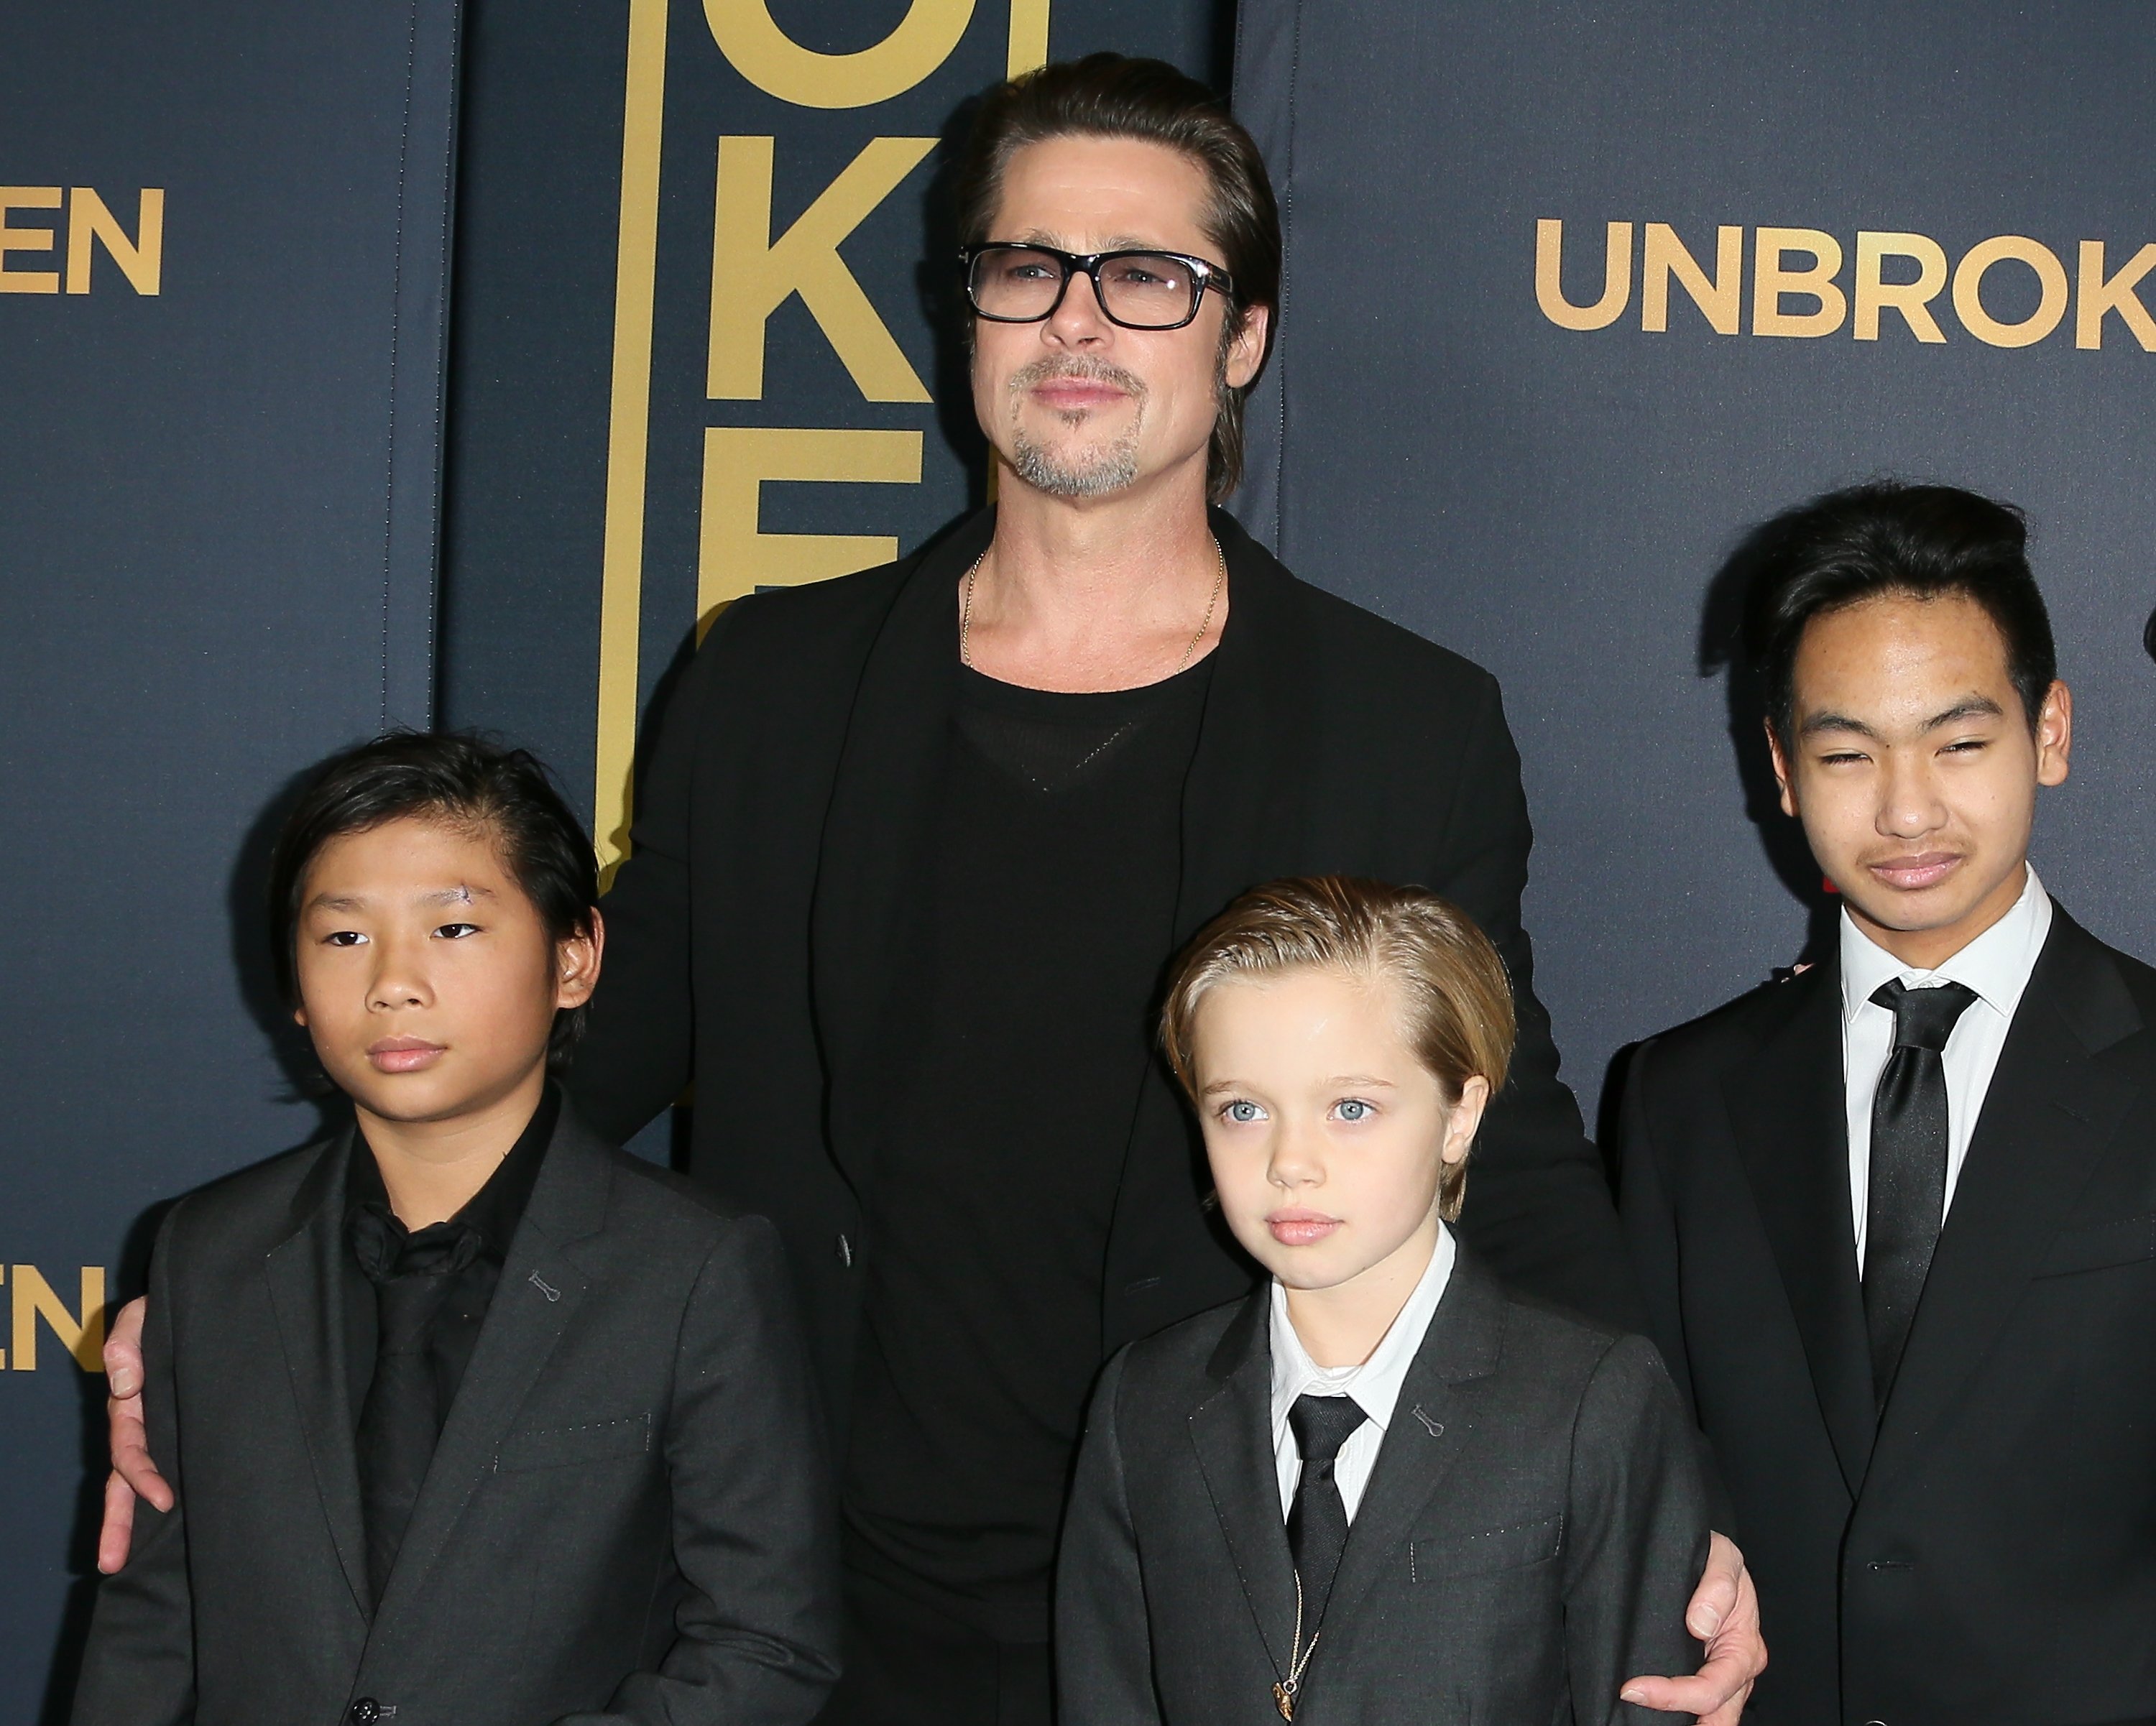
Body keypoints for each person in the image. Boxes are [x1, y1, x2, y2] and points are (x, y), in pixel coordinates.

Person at [101, 56, 1761, 1725]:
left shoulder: (1403, 720)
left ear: (1240, 335)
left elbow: (1508, 1141)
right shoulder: (767, 683)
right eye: (1025, 268)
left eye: (1149, 277)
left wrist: (1667, 1502)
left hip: (1220, 1581)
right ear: (966, 313)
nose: (1077, 323)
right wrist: (267, 1299)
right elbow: (570, 1076)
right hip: (800, 1575)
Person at [71, 734, 839, 1726]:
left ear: (575, 957)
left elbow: (765, 1640)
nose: (394, 980)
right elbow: (154, 1623)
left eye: (455, 928)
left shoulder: (693, 1267)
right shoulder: (207, 1251)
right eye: (344, 937)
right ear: (296, 992)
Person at [1621, 481, 2156, 1724]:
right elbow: (1646, 1453)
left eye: (1960, 743)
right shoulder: (1678, 1099)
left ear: (2053, 730)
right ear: (1782, 769)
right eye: (1848, 753)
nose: (1908, 808)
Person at [1059, 877, 1709, 1725]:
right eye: (1243, 1108)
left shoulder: (1591, 1399)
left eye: (1351, 1106)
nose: (1292, 1160)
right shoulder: (1143, 1402)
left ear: (1458, 1115)